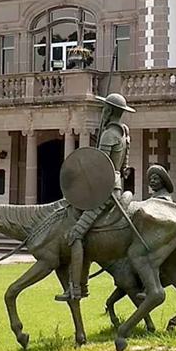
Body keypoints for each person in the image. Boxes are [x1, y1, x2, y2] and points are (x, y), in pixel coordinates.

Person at [57, 92, 134, 302]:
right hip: (116, 187)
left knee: (75, 234)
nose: (103, 111)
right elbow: (124, 167)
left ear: (110, 110)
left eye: (105, 108)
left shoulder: (109, 135)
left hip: (104, 192)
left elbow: (98, 166)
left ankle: (77, 288)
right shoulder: (124, 133)